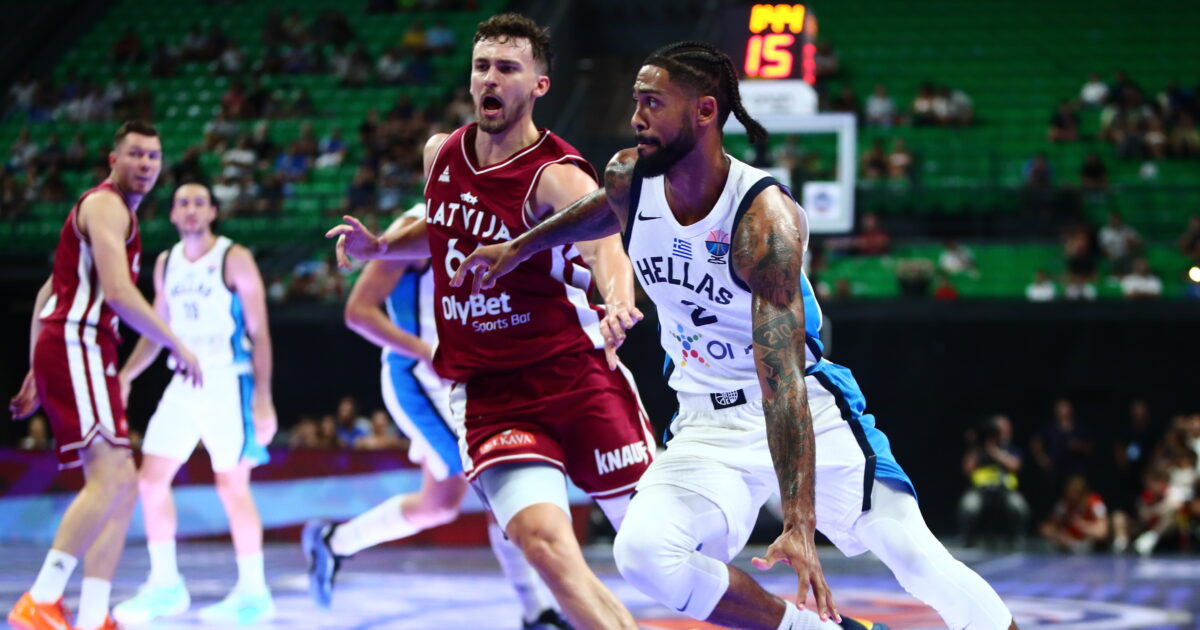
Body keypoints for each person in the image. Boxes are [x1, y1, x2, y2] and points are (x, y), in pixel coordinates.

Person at [451, 40, 1018, 630]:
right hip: (705, 421)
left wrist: (798, 522)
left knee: (913, 554)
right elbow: (599, 210)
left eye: (652, 103)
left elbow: (783, 382)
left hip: (803, 411)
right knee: (642, 553)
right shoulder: (629, 177)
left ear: (704, 111)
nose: (636, 117)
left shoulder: (763, 220)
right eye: (636, 101)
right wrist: (519, 248)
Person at [326, 14, 655, 629]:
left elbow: (604, 244)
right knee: (543, 544)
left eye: (507, 68)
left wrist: (617, 300)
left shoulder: (558, 173)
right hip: (489, 390)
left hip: (573, 374)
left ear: (539, 85)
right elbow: (440, 229)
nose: (490, 79)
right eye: (482, 66)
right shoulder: (441, 153)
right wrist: (381, 248)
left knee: (657, 555)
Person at [304, 206, 570, 629]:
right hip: (421, 381)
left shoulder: (488, 215)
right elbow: (359, 311)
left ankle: (334, 542)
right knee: (498, 482)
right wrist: (426, 352)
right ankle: (536, 611)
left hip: (466, 379)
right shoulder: (413, 227)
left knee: (439, 504)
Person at [7, 121, 203, 630]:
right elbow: (117, 291)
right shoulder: (105, 205)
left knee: (124, 486)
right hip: (79, 341)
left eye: (153, 156)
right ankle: (41, 599)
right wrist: (176, 343)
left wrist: (34, 365)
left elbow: (47, 290)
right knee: (111, 478)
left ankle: (94, 615)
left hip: (80, 346)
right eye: (135, 154)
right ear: (113, 160)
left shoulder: (112, 214)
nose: (145, 164)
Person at [111, 182, 277, 625]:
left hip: (228, 381)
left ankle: (254, 593)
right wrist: (126, 375)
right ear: (171, 214)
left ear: (212, 212)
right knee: (150, 482)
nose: (190, 209)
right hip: (182, 384)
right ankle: (165, 586)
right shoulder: (166, 263)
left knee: (232, 486)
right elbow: (157, 330)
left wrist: (263, 399)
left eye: (199, 203)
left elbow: (260, 333)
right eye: (182, 203)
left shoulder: (233, 257)